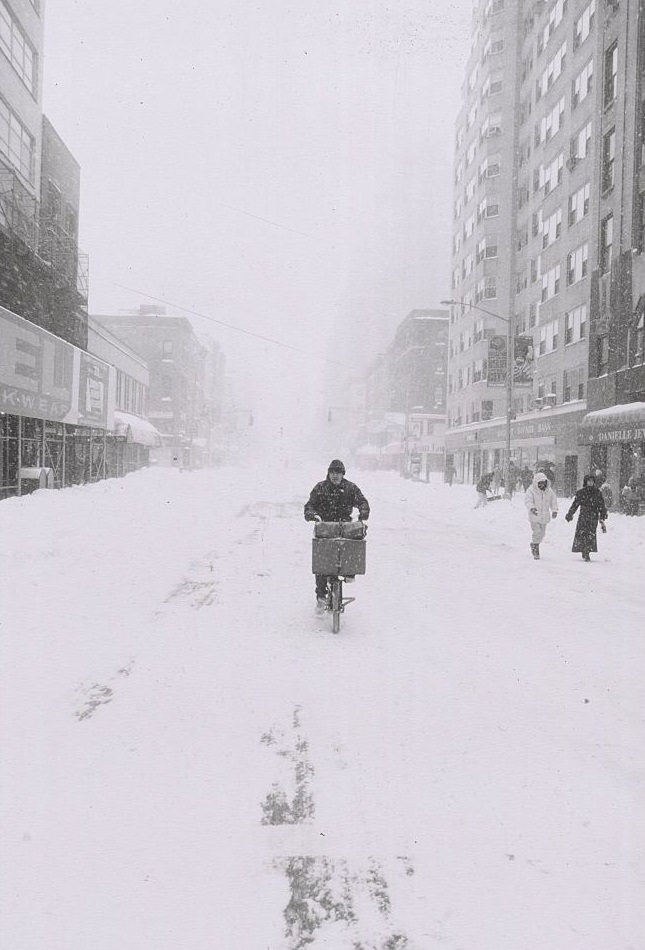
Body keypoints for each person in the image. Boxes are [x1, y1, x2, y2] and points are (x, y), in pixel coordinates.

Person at [304, 459, 370, 609]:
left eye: (338, 473)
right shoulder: (320, 488)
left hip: (344, 527)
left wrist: (364, 511)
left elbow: (362, 501)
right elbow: (310, 505)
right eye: (333, 472)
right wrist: (311, 514)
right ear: (328, 473)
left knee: (351, 548)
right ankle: (321, 596)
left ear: (343, 474)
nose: (335, 476)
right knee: (322, 563)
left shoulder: (350, 488)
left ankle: (349, 572)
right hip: (325, 527)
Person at [565, 474, 608, 562]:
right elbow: (575, 504)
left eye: (592, 481)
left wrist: (603, 514)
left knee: (591, 534)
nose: (590, 483)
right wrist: (570, 514)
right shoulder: (581, 493)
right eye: (589, 481)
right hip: (583, 516)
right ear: (586, 482)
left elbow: (601, 505)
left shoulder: (597, 493)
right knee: (582, 533)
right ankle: (583, 549)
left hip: (593, 516)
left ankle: (587, 551)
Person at [524, 471, 558, 559]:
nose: (542, 485)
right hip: (534, 516)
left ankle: (535, 543)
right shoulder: (531, 490)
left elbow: (553, 501)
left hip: (544, 516)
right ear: (536, 483)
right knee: (537, 532)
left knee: (542, 533)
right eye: (540, 483)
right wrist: (532, 508)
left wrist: (554, 510)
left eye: (544, 483)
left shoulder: (549, 491)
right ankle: (535, 548)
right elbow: (528, 500)